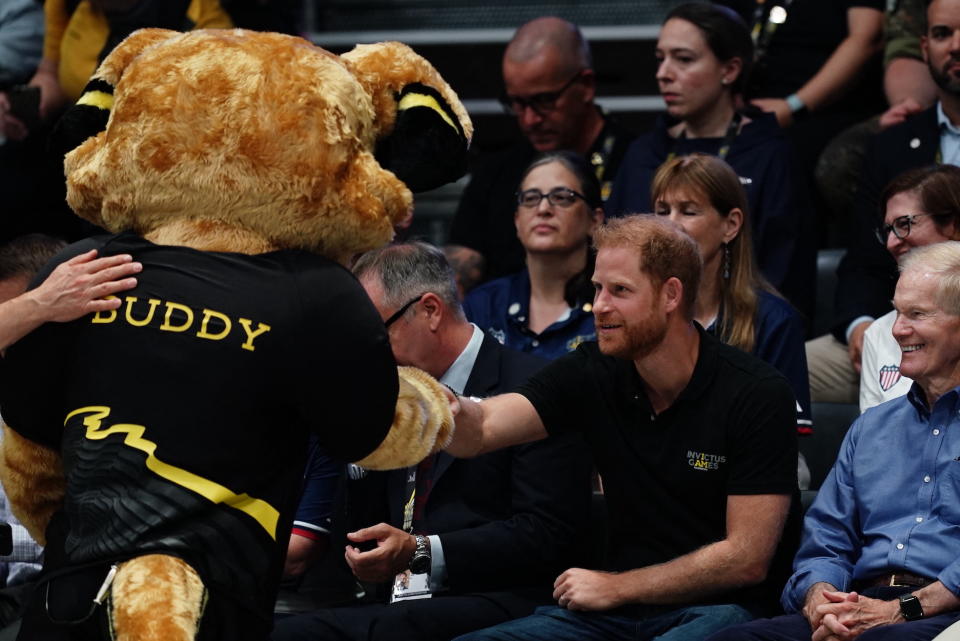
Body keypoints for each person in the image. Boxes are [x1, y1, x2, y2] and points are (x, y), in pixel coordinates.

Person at [446, 216, 799, 641]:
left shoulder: (756, 393)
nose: (600, 306)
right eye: (597, 288)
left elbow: (746, 558)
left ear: (671, 294)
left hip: (727, 612)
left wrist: (617, 585)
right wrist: (442, 409)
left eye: (620, 290)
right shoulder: (594, 368)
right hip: (615, 614)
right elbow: (483, 428)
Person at [272, 241, 592, 641]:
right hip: (393, 603)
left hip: (502, 600)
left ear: (430, 310)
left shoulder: (535, 388)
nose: (368, 352)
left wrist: (421, 551)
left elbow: (547, 534)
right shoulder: (387, 389)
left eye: (375, 333)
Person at [709, 240, 960, 641]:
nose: (897, 329)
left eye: (917, 314)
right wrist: (820, 598)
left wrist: (901, 609)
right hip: (857, 604)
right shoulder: (872, 428)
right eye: (897, 312)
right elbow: (827, 538)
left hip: (945, 613)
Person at [605, 2, 813, 318]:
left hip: (742, 329)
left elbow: (784, 276)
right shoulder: (643, 153)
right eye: (661, 59)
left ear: (729, 70)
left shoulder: (771, 153)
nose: (663, 74)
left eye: (683, 60)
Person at [807, 0, 960, 404]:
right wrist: (860, 326)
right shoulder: (893, 142)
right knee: (786, 368)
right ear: (924, 48)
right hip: (895, 324)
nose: (955, 46)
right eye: (943, 34)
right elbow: (864, 258)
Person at [650, 153, 812, 481]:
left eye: (689, 211)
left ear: (731, 225)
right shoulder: (641, 314)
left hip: (743, 469)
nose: (670, 224)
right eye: (662, 211)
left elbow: (780, 436)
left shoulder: (774, 321)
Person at [447, 16, 634, 289]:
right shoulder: (494, 174)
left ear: (586, 86)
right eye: (517, 103)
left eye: (545, 100)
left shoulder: (637, 162)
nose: (530, 119)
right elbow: (458, 278)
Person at [463, 151, 602, 359]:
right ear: (517, 221)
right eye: (530, 198)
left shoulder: (610, 307)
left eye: (562, 197)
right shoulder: (482, 305)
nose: (543, 209)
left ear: (595, 220)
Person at [860, 165, 960, 411]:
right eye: (888, 230)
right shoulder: (880, 334)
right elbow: (873, 440)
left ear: (953, 224)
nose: (892, 242)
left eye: (904, 224)